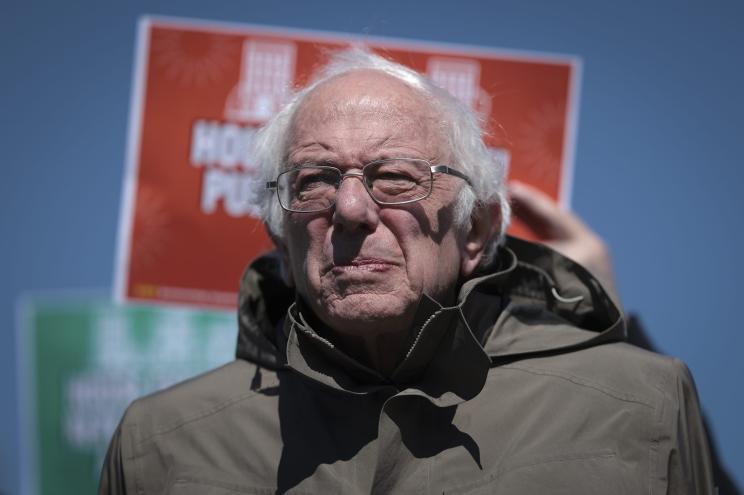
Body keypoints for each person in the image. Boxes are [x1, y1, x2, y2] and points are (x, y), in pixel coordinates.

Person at [100, 49, 715, 494]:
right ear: (279, 239)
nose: (349, 209)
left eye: (395, 176)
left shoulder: (640, 405)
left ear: (475, 230)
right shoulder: (160, 445)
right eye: (314, 182)